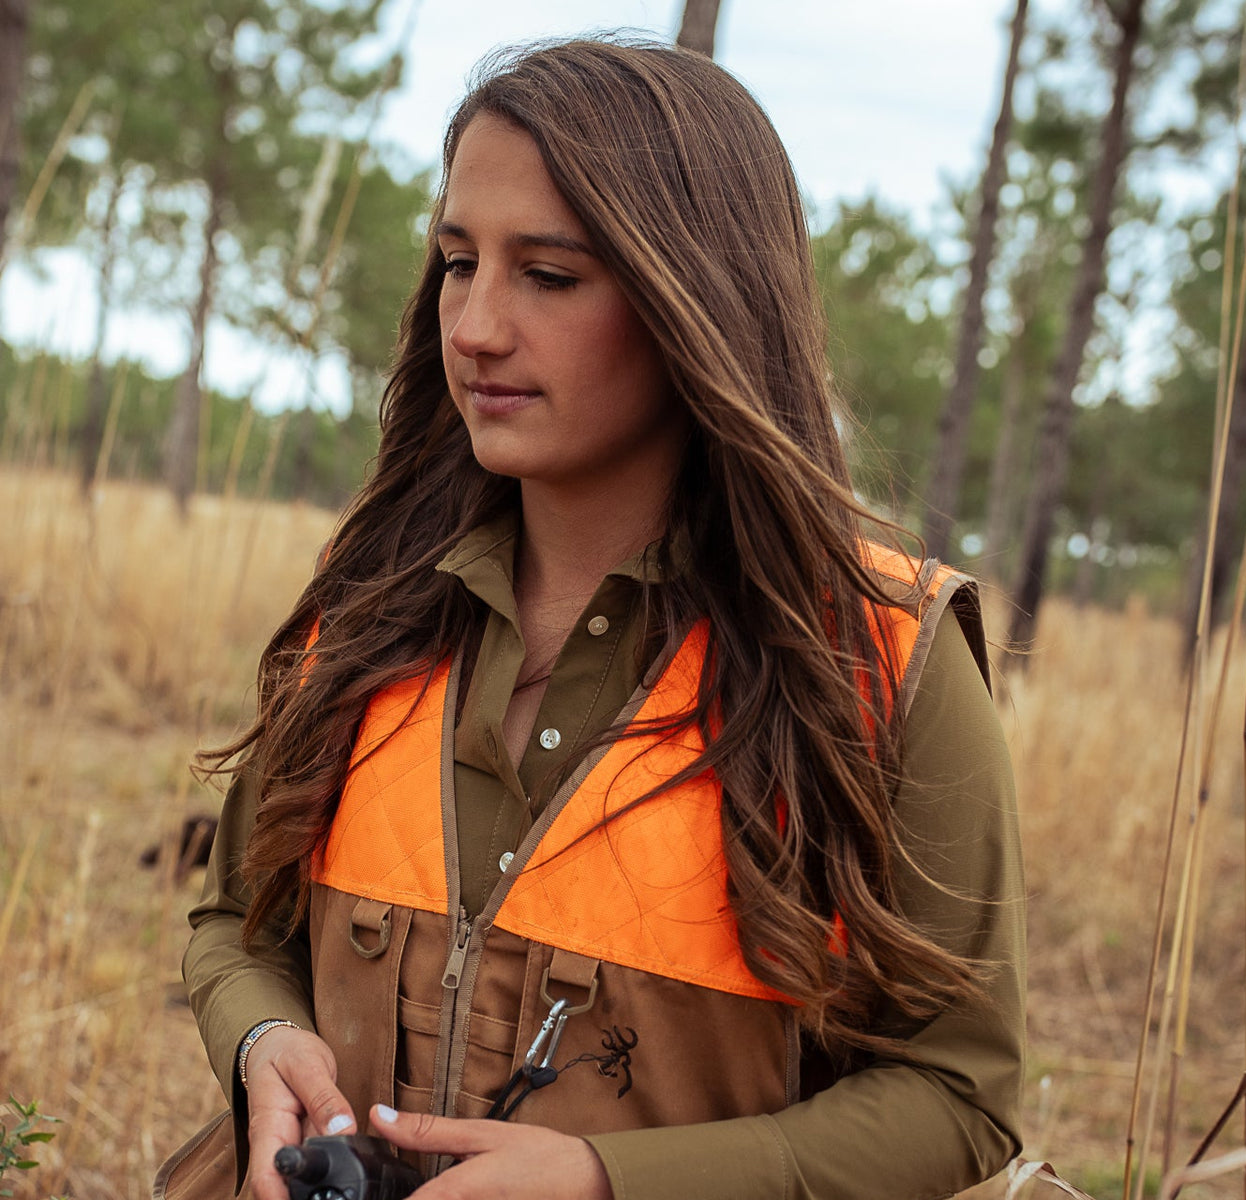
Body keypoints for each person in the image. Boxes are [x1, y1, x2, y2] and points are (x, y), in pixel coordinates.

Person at [164, 35, 1024, 1200]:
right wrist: (266, 1044)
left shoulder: (884, 664)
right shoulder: (366, 611)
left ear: (698, 301)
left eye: (550, 276)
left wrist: (608, 1181)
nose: (473, 327)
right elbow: (237, 928)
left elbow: (958, 1097)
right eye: (459, 262)